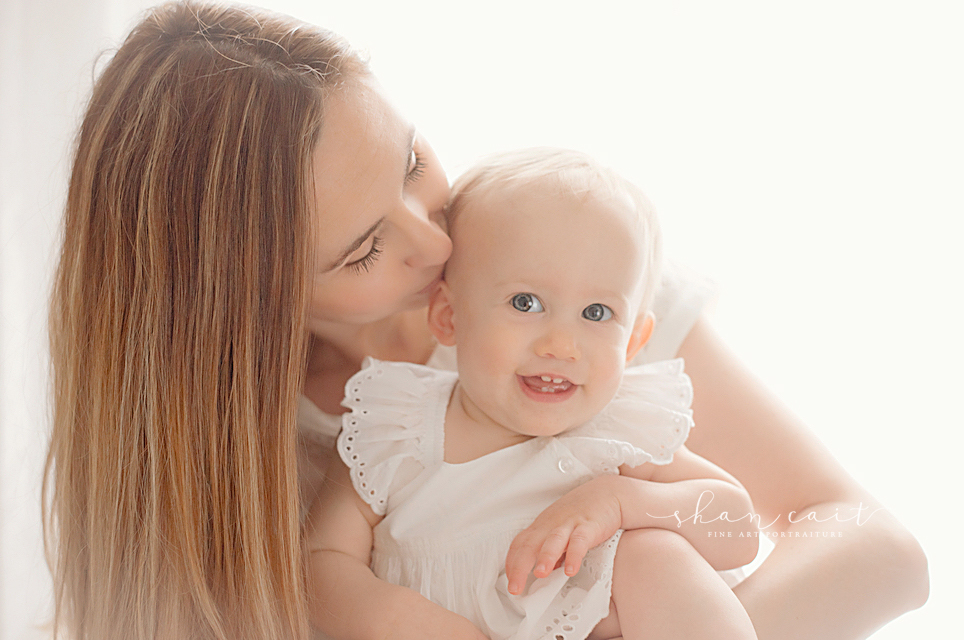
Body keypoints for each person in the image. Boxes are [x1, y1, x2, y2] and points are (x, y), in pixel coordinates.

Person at [43, 2, 928, 640]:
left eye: (412, 161)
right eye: (362, 252)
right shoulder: (257, 463)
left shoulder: (575, 287)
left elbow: (878, 548)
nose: (438, 244)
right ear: (242, 301)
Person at [306, 147, 761, 640]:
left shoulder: (616, 435)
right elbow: (321, 561)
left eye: (596, 314)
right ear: (448, 317)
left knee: (656, 555)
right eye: (527, 303)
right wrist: (393, 616)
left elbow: (738, 529)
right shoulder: (397, 427)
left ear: (632, 344)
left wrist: (623, 501)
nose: (561, 346)